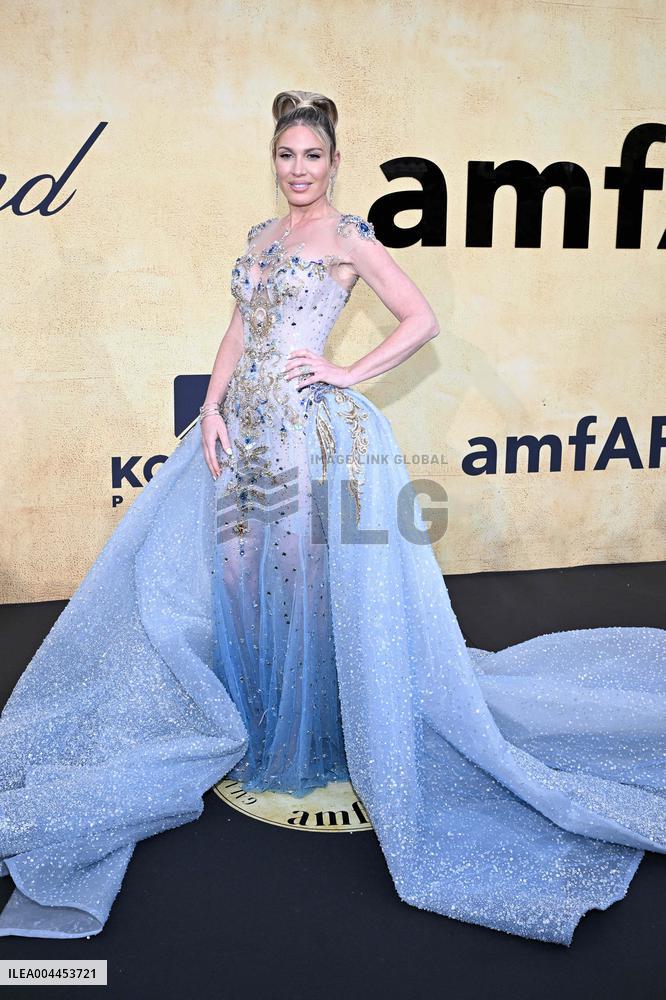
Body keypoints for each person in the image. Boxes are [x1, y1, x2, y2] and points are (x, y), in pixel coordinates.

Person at [0, 89, 664, 945]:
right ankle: (263, 726)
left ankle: (315, 745)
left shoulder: (349, 239)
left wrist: (347, 372)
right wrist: (211, 408)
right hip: (246, 435)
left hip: (314, 435)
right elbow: (240, 325)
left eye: (313, 155)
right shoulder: (260, 238)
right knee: (241, 583)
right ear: (274, 160)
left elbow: (421, 321)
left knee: (304, 582)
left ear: (334, 161)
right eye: (287, 155)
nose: (299, 168)